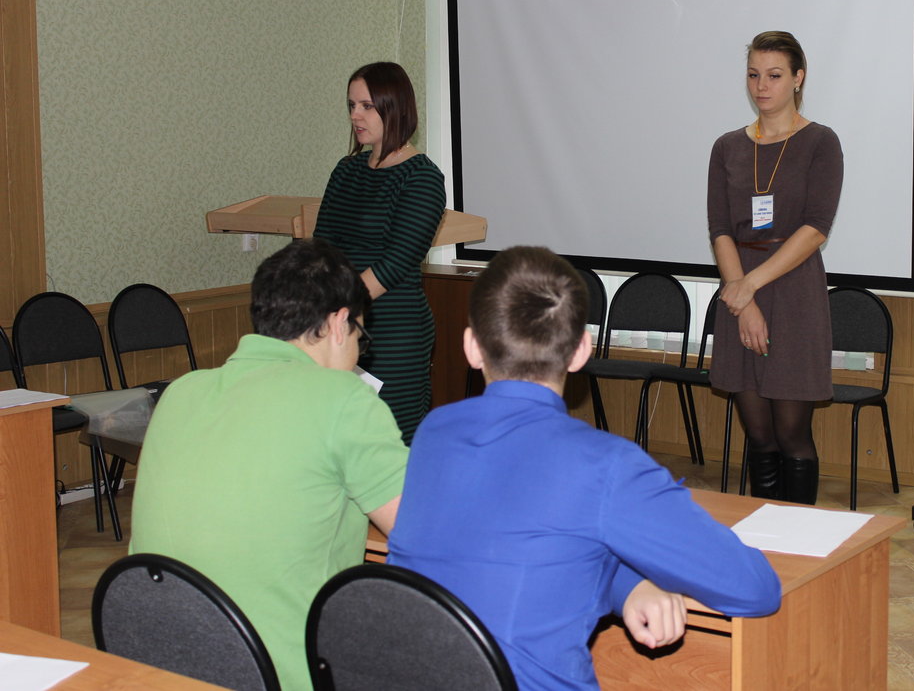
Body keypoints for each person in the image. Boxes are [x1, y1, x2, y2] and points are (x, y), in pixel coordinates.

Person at [388, 246, 780, 691]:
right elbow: (755, 589)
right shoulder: (605, 465)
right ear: (581, 351)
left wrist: (626, 585)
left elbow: (528, 551)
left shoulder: (435, 433)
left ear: (471, 347)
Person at [130, 239, 409, 691]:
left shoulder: (180, 392)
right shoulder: (344, 399)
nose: (358, 352)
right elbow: (423, 531)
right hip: (281, 673)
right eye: (361, 336)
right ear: (339, 323)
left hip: (161, 664)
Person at [707, 30, 844, 505]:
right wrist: (742, 299)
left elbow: (816, 228)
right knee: (759, 435)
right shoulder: (727, 146)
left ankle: (800, 535)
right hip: (738, 292)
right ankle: (763, 533)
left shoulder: (820, 142)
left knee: (791, 435)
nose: (761, 86)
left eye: (774, 75)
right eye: (753, 75)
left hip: (793, 291)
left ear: (798, 78)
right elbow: (720, 229)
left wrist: (750, 286)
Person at [314, 61, 446, 444]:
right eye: (351, 105)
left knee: (390, 441)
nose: (355, 115)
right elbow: (322, 248)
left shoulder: (421, 177)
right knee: (342, 440)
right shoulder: (346, 170)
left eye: (367, 106)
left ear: (395, 108)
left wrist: (340, 313)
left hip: (393, 333)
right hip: (339, 325)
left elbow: (395, 264)